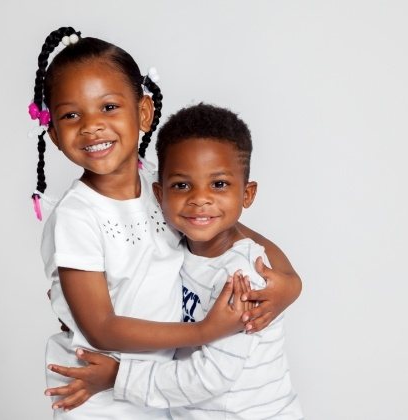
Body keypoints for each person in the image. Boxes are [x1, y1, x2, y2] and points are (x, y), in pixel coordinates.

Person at [28, 26, 301, 419]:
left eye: (108, 107)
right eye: (72, 115)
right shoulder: (76, 217)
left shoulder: (160, 182)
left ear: (143, 112)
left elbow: (233, 229)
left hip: (161, 383)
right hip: (100, 382)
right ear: (53, 133)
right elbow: (102, 326)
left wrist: (290, 283)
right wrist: (204, 332)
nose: (92, 126)